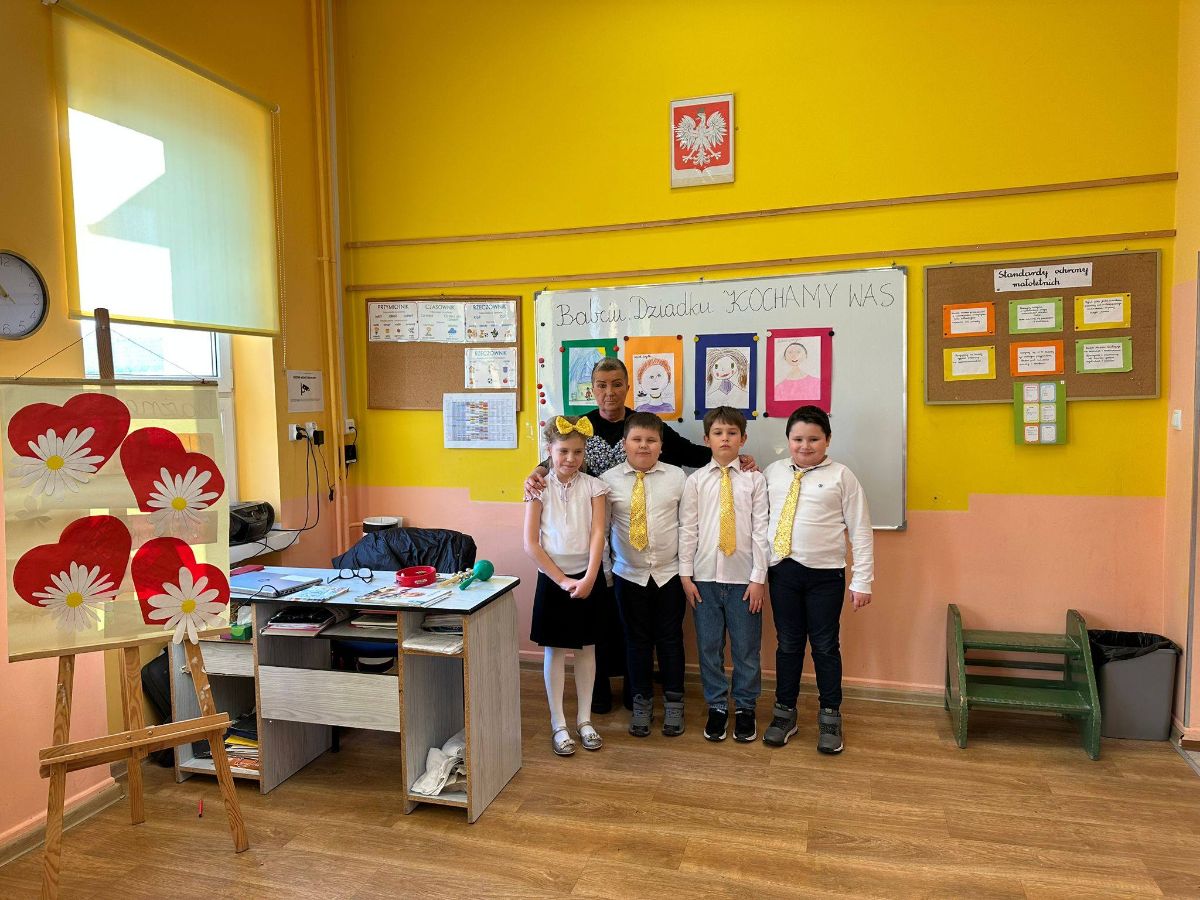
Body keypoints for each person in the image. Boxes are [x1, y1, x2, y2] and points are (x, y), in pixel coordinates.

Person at [525, 357, 755, 714]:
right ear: (592, 389)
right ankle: (602, 693)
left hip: (644, 555)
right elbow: (560, 455)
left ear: (627, 386)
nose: (609, 392)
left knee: (645, 633)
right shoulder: (582, 425)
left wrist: (733, 457)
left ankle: (639, 693)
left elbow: (690, 452)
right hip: (603, 546)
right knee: (607, 627)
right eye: (601, 385)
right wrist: (536, 472)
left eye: (616, 384)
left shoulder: (645, 425)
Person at [762, 405, 873, 753]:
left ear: (827, 440)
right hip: (783, 572)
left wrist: (862, 580)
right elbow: (758, 517)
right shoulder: (773, 473)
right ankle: (785, 713)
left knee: (825, 646)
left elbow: (861, 530)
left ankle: (830, 715)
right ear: (788, 440)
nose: (805, 446)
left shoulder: (842, 476)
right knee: (788, 644)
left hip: (826, 576)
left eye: (813, 439)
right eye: (798, 439)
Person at [678, 406, 769, 743]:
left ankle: (745, 707)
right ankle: (717, 706)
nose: (725, 438)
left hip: (744, 580)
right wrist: (685, 575)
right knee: (709, 647)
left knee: (746, 649)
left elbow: (761, 531)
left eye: (732, 433)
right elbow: (688, 528)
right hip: (704, 579)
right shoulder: (695, 482)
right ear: (707, 440)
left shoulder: (755, 480)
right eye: (718, 433)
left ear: (743, 439)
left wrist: (759, 577)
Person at [523, 415, 610, 756]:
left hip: (588, 578)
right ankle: (558, 723)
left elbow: (598, 534)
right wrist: (561, 580)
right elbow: (531, 543)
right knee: (555, 651)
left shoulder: (595, 487)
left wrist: (589, 578)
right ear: (549, 451)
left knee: (587, 649)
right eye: (563, 451)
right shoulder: (537, 488)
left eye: (577, 451)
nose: (570, 458)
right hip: (553, 580)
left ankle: (584, 719)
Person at [600, 412, 688, 737]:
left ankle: (674, 704)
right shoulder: (608, 481)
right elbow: (602, 531)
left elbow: (687, 527)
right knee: (635, 641)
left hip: (669, 574)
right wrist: (607, 574)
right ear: (625, 443)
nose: (643, 446)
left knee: (670, 640)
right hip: (628, 575)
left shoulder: (677, 478)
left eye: (651, 440)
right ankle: (641, 703)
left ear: (661, 445)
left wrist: (687, 571)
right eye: (637, 439)